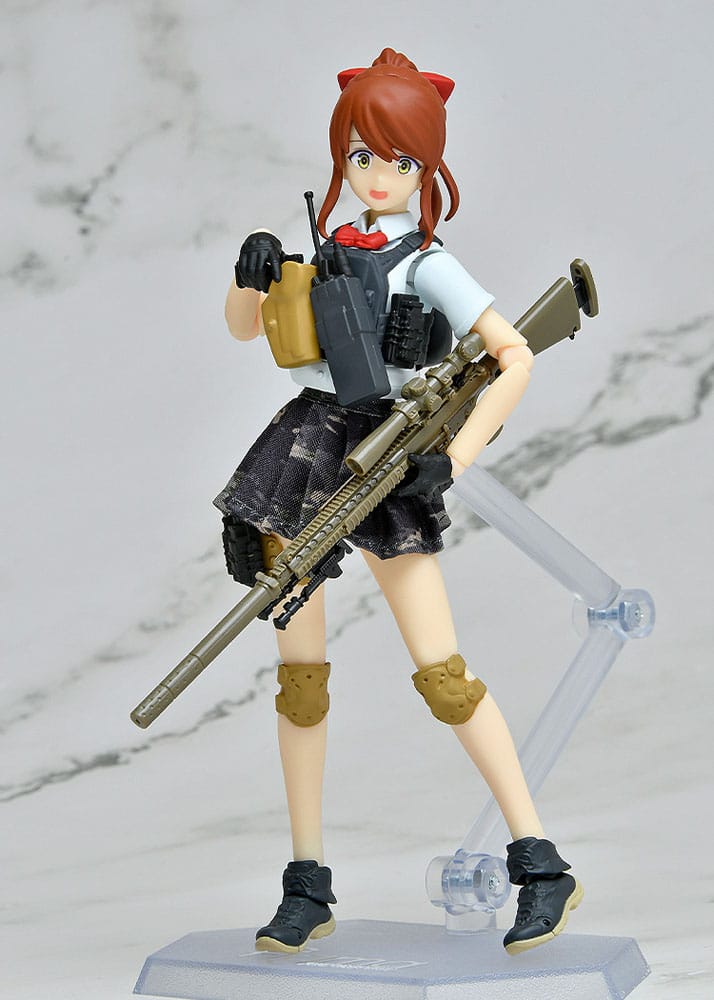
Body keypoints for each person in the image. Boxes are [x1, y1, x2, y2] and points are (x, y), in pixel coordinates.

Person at [215, 47, 582, 956]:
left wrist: (448, 459)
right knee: (300, 679)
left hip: (389, 452)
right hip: (306, 449)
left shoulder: (428, 262)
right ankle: (307, 882)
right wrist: (249, 273)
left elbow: (515, 356)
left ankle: (541, 864)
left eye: (401, 161)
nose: (378, 177)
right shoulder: (318, 253)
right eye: (363, 157)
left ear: (427, 170)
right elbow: (245, 329)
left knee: (443, 674)